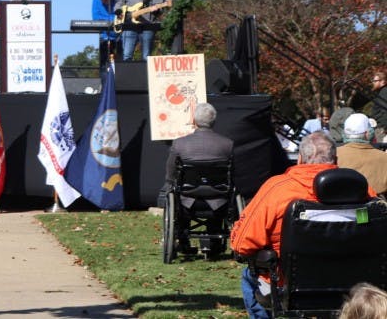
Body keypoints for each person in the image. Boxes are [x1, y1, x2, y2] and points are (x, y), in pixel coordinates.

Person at [230, 132, 376, 319]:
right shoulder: (364, 191)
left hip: (292, 286)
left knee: (249, 276)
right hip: (353, 285)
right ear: (335, 159)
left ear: (299, 159)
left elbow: (242, 244)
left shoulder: (277, 190)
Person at [163, 101, 235, 252]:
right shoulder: (227, 145)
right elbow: (233, 174)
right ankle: (214, 243)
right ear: (213, 121)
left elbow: (170, 171)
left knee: (175, 193)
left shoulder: (179, 144)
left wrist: (169, 185)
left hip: (187, 201)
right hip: (219, 200)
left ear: (194, 120)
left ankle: (184, 243)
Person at [336, 113, 387, 195]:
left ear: (345, 134)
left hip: (341, 205)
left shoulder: (333, 156)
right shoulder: (384, 158)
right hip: (376, 205)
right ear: (367, 134)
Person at [91, 0, 119, 69]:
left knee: (121, 62)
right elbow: (95, 18)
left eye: (106, 0)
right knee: (104, 64)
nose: (104, 2)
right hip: (105, 36)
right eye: (102, 0)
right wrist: (111, 20)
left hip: (120, 35)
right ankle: (105, 82)